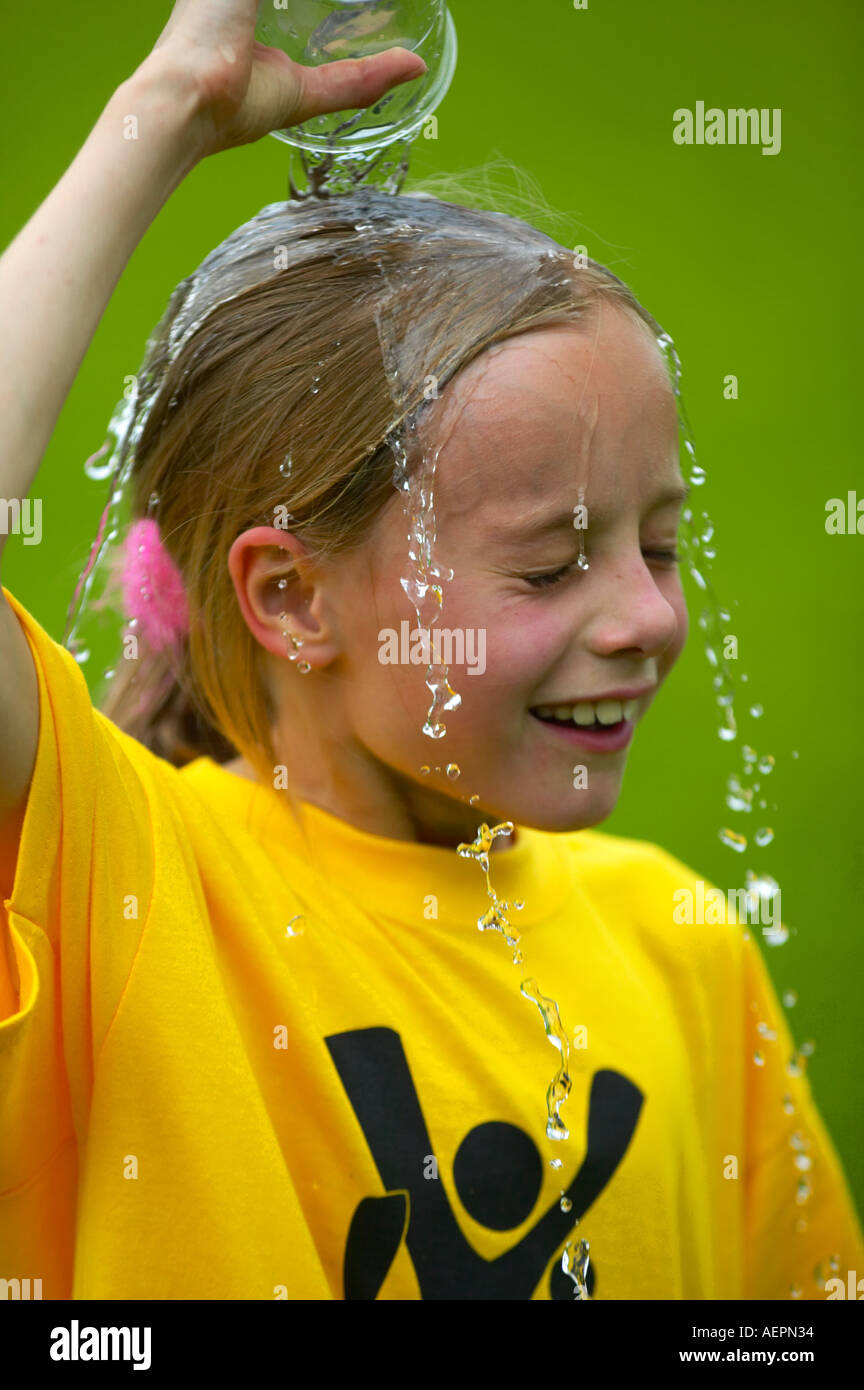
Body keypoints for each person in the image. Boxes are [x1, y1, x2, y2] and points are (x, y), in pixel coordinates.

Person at [0, 0, 860, 1301]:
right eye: (551, 563)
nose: (646, 616)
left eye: (662, 545)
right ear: (294, 599)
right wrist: (162, 115)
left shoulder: (685, 945)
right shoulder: (136, 895)